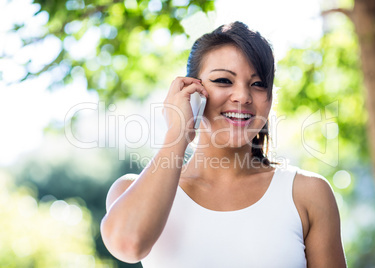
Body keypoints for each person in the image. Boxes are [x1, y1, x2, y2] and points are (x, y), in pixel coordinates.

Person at [100, 21, 347, 267]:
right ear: (192, 91)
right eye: (223, 80)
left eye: (258, 84)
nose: (243, 96)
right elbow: (128, 245)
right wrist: (178, 134)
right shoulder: (131, 191)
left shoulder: (307, 194)